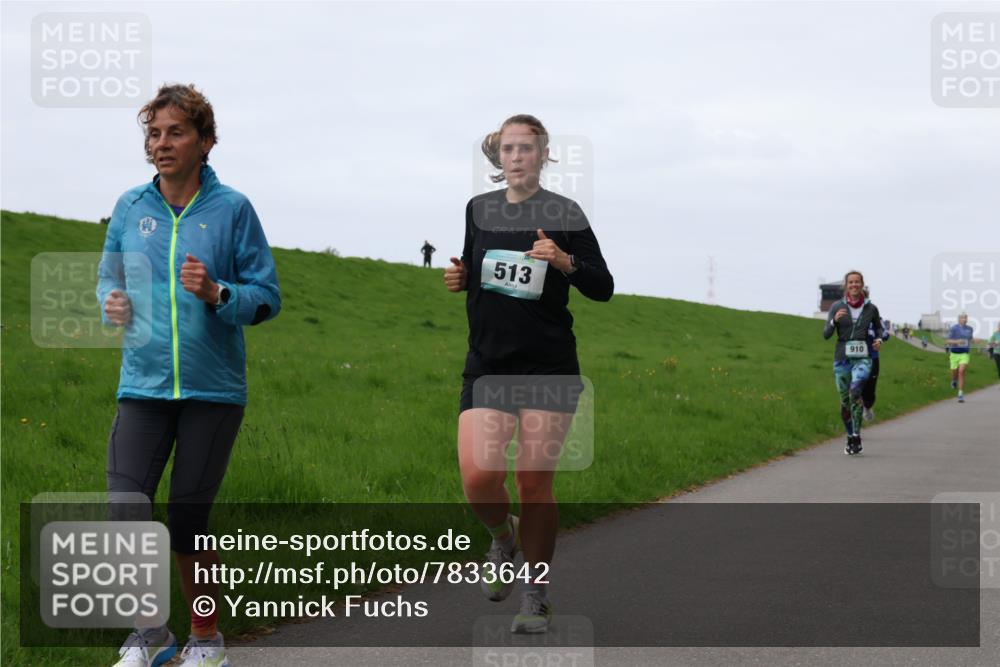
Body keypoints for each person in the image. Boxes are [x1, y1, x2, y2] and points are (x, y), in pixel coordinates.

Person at [98, 83, 281, 667]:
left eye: (175, 131)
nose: (161, 143)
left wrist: (218, 291)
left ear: (204, 140)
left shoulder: (233, 209)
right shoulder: (130, 207)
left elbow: (266, 297)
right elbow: (108, 278)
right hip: (143, 385)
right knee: (125, 507)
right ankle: (151, 636)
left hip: (213, 389)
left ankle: (206, 640)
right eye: (153, 133)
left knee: (187, 520)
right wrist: (113, 302)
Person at [444, 114, 613, 633]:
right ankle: (503, 536)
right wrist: (461, 275)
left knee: (533, 483)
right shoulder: (479, 209)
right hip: (488, 365)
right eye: (508, 149)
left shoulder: (566, 213)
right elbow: (481, 267)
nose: (517, 157)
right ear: (498, 157)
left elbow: (602, 286)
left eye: (527, 148)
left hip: (548, 367)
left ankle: (535, 596)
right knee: (478, 478)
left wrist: (565, 262)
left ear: (543, 155)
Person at [823, 271, 883, 455]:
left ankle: (857, 436)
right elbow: (825, 334)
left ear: (862, 284)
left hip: (863, 357)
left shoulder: (871, 308)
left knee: (855, 393)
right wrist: (834, 321)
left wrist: (879, 339)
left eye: (857, 282)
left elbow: (879, 327)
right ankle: (850, 436)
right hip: (842, 358)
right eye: (851, 282)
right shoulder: (837, 306)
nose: (854, 285)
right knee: (845, 401)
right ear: (846, 285)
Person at [861, 289, 890, 422]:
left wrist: (879, 339)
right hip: (853, 358)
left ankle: (867, 406)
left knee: (869, 389)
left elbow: (885, 332)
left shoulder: (875, 316)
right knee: (854, 388)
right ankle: (854, 423)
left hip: (872, 357)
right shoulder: (848, 315)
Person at [945, 313, 975, 403]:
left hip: (964, 353)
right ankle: (954, 380)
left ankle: (960, 394)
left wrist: (977, 341)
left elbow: (971, 339)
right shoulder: (953, 328)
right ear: (959, 319)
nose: (965, 319)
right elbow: (947, 340)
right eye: (963, 318)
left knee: (961, 372)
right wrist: (957, 341)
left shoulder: (970, 329)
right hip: (954, 353)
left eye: (966, 317)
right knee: (955, 372)